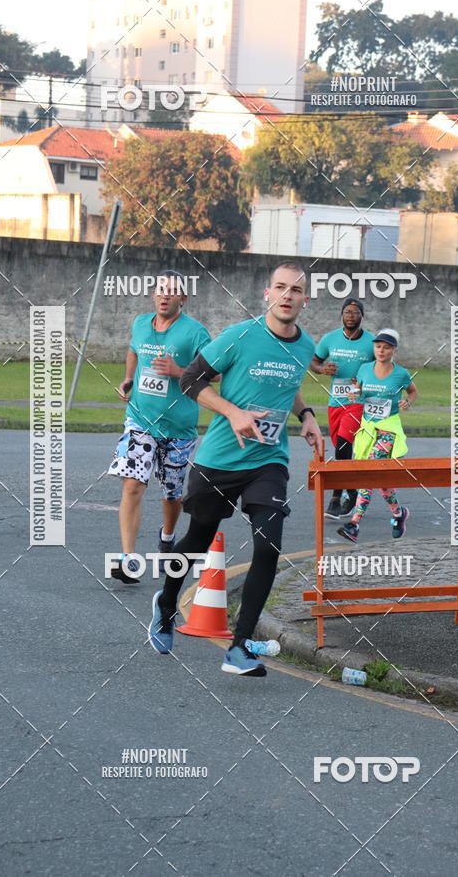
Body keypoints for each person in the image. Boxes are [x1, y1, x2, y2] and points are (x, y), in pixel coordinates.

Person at [148, 260, 322, 676]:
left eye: (295, 290)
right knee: (197, 539)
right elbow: (191, 380)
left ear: (305, 299)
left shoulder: (304, 345)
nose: (287, 296)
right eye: (280, 287)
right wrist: (232, 412)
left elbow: (289, 384)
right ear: (268, 293)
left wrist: (308, 415)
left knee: (268, 546)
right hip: (219, 460)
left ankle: (239, 647)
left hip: (268, 460)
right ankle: (167, 604)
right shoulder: (240, 336)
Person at [108, 271, 211, 584]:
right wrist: (129, 378)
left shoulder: (195, 332)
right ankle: (127, 559)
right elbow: (134, 352)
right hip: (140, 419)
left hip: (178, 428)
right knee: (132, 484)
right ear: (153, 294)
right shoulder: (140, 323)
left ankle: (167, 536)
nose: (165, 296)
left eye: (172, 291)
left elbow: (215, 373)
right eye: (160, 290)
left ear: (183, 298)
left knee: (172, 494)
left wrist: (179, 370)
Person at [337, 328, 418, 543]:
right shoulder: (364, 369)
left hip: (388, 430)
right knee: (380, 479)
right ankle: (399, 514)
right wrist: (355, 393)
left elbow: (413, 391)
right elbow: (357, 389)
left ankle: (354, 524)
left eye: (387, 347)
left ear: (394, 350)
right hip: (368, 429)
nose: (381, 351)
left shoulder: (400, 373)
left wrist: (407, 402)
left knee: (370, 471)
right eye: (378, 346)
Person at [310, 299, 374, 519]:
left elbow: (383, 366)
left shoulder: (371, 342)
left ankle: (336, 499)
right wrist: (321, 369)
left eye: (355, 312)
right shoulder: (330, 339)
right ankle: (354, 495)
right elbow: (314, 361)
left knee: (345, 444)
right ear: (342, 315)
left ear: (361, 316)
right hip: (334, 402)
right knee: (342, 450)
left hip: (357, 402)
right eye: (347, 312)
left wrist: (366, 379)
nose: (350, 315)